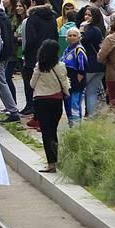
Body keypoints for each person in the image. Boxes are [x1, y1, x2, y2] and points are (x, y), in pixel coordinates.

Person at [30, 39, 69, 173]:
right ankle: (55, 159)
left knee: (46, 132)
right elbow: (64, 83)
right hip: (57, 101)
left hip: (41, 101)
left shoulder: (39, 66)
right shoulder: (61, 66)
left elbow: (32, 84)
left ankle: (51, 163)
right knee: (53, 131)